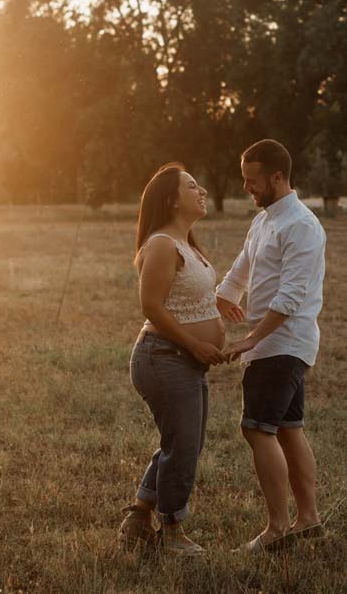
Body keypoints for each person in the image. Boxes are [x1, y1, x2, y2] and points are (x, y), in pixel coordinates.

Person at [216, 139, 327, 551]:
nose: (247, 188)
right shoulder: (263, 222)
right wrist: (220, 299)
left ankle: (278, 529)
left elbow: (291, 296)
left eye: (253, 181)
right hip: (271, 344)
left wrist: (249, 340)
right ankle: (309, 520)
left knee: (256, 429)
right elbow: (238, 273)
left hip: (284, 343)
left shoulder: (302, 225)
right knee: (288, 429)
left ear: (277, 177)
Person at [118, 163, 228, 556]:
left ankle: (138, 517)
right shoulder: (162, 243)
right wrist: (195, 344)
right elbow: (151, 306)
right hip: (163, 357)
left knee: (185, 443)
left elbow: (192, 301)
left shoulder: (187, 245)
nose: (201, 191)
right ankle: (172, 532)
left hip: (185, 360)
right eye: (192, 186)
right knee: (182, 446)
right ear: (171, 199)